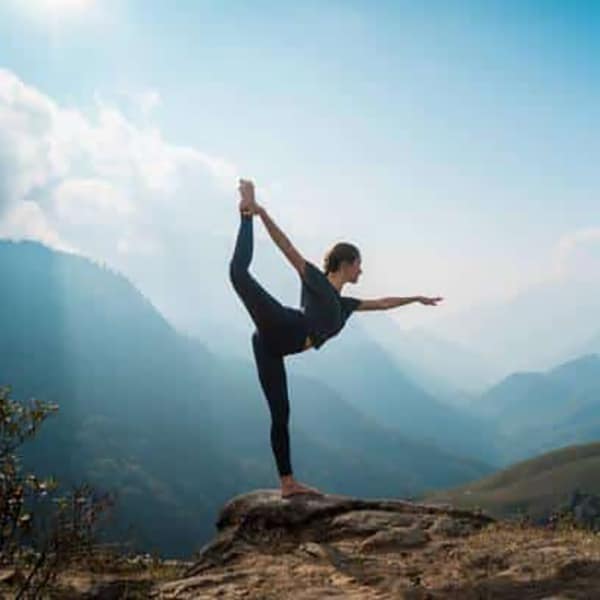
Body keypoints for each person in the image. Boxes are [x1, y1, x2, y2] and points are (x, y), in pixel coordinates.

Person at [229, 179, 443, 498]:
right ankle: (245, 211)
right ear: (345, 263)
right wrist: (260, 213)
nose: (361, 271)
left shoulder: (345, 305)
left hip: (271, 346)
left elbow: (383, 302)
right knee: (239, 274)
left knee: (280, 413)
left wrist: (415, 299)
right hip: (285, 326)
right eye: (359, 264)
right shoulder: (316, 280)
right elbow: (286, 247)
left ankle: (287, 483)